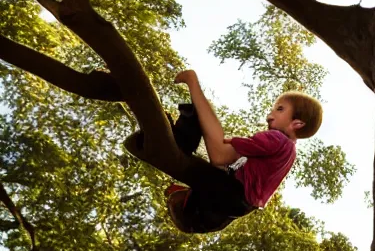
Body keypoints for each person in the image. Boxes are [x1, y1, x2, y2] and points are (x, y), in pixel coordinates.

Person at [127, 70, 323, 233]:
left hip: (232, 195)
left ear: (297, 123)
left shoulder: (278, 139)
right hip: (235, 206)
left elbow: (236, 150)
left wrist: (232, 142)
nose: (269, 115)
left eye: (279, 109)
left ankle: (188, 114)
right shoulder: (287, 153)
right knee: (212, 177)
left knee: (210, 157)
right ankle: (182, 136)